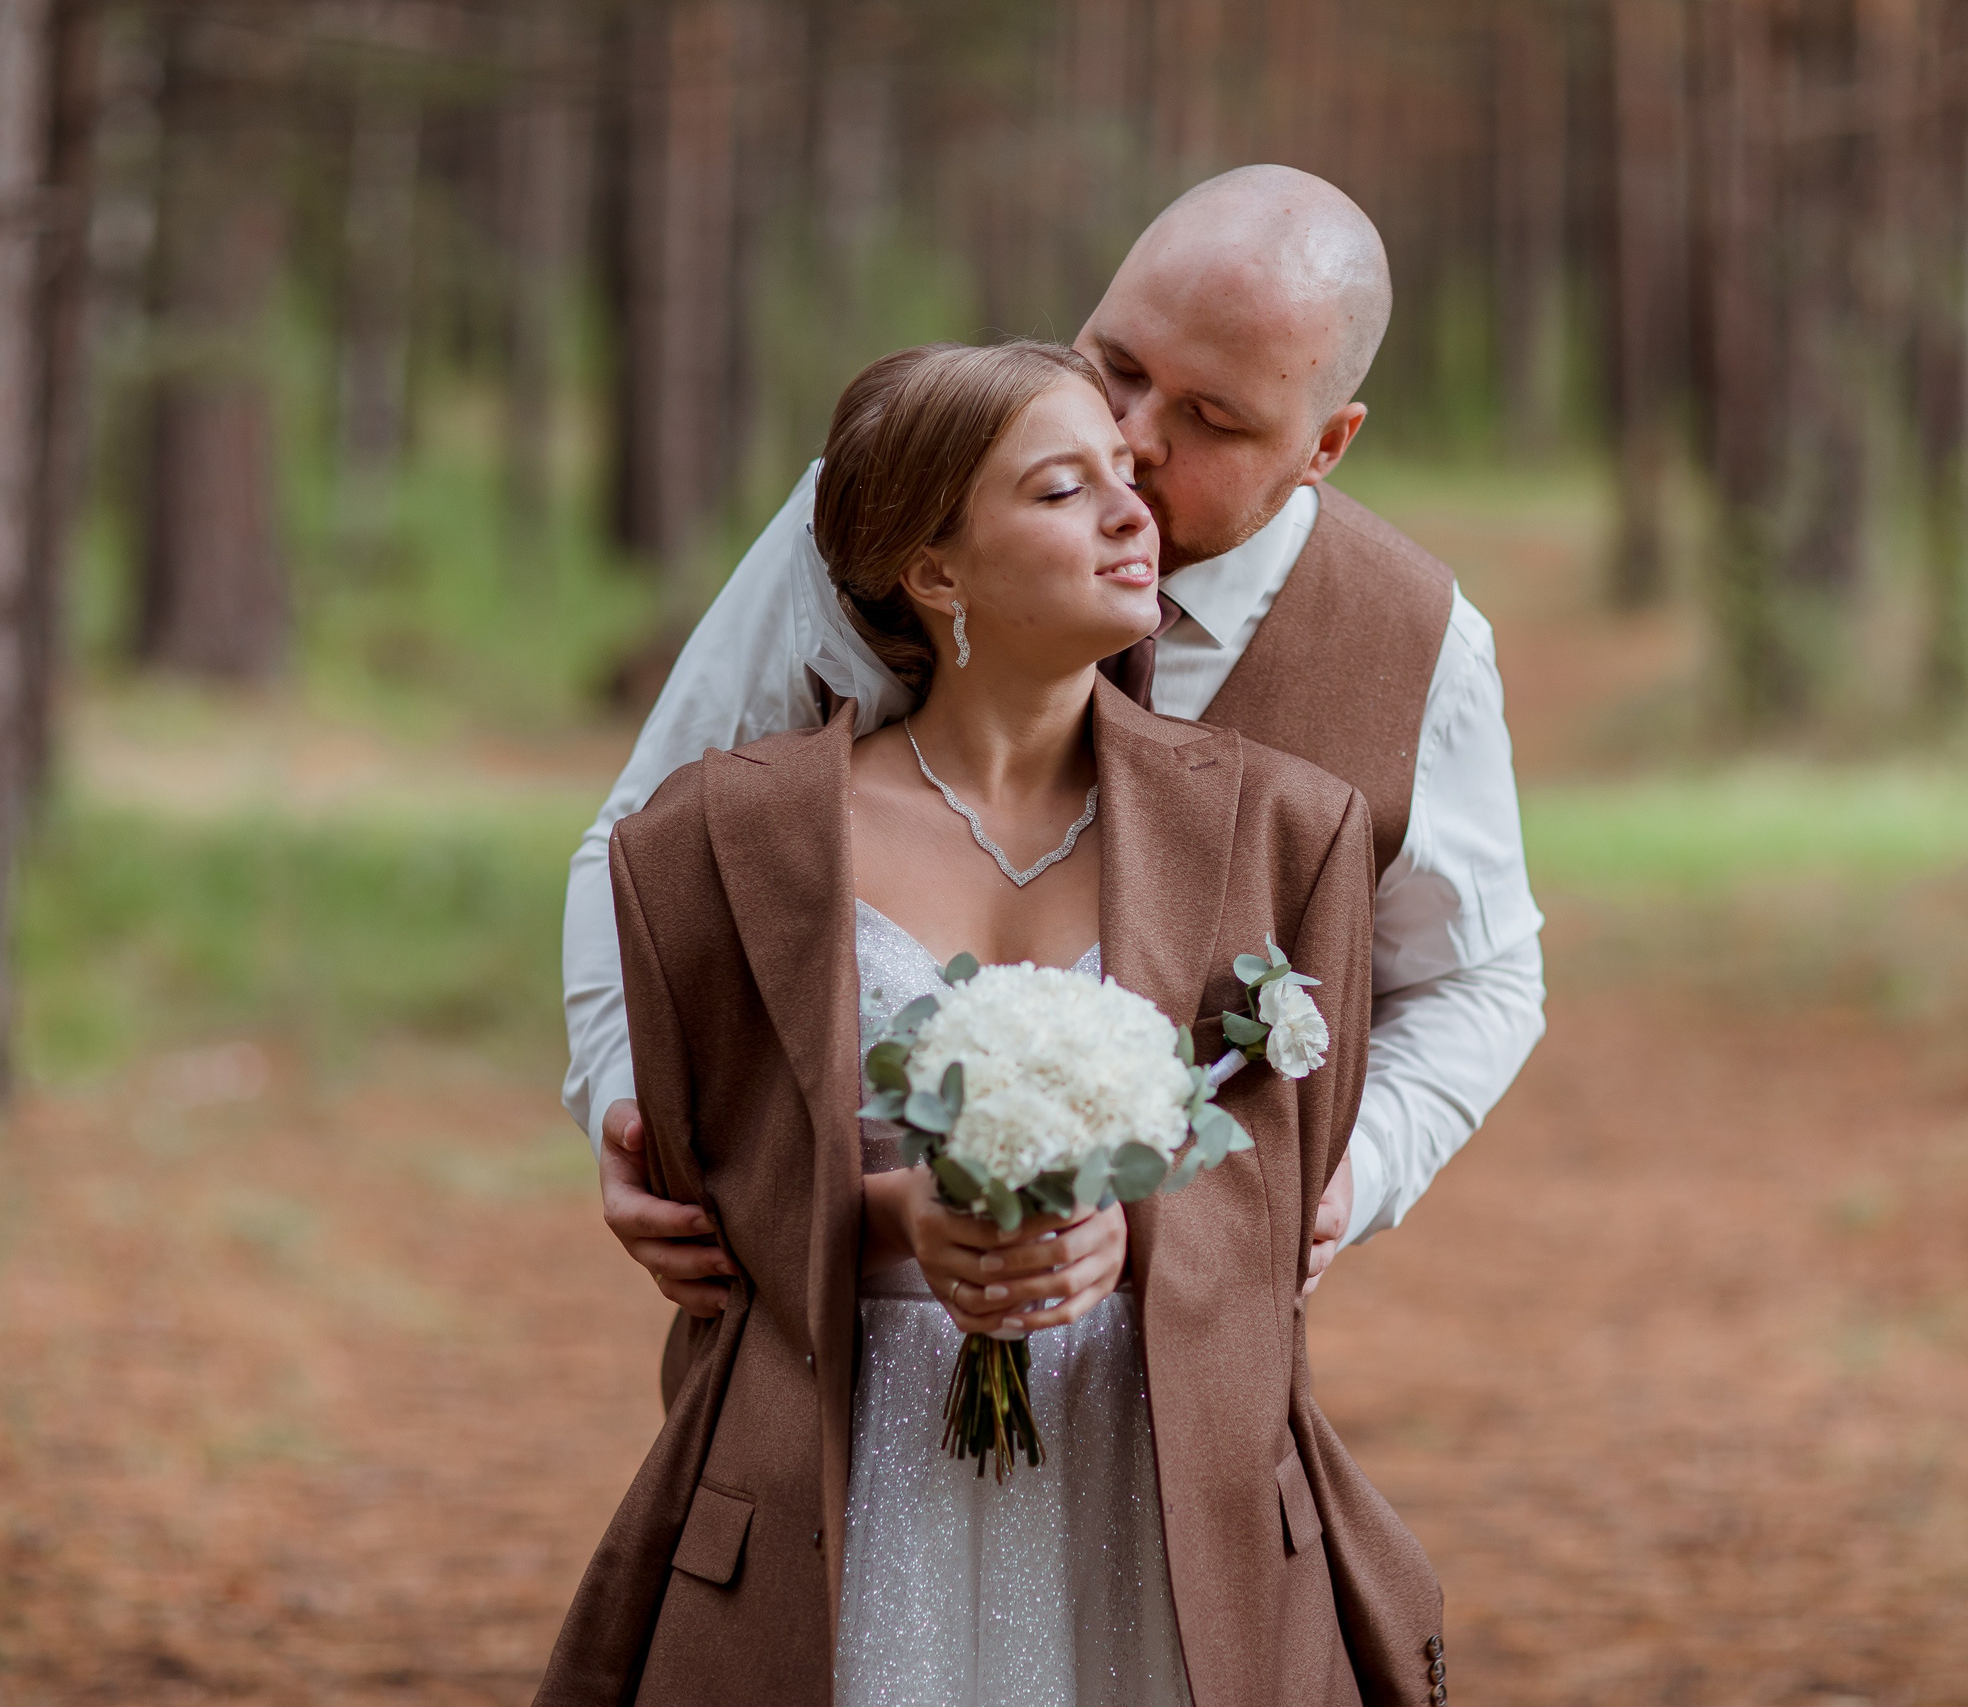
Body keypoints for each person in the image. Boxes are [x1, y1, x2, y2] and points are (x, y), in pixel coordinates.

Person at [535, 341, 1440, 1706]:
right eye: (1065, 491)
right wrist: (900, 1217)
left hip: (1154, 1472)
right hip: (850, 1470)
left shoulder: (1286, 830)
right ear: (935, 570)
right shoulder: (732, 838)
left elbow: (1282, 1195)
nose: (1137, 514)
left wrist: (1125, 1226)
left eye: (1127, 480)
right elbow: (722, 1181)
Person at [565, 165, 1544, 1355]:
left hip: (1174, 1382)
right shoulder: (882, 525)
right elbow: (638, 850)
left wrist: (1345, 1181)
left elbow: (1475, 978)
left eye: (1213, 420)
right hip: (816, 1347)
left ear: (1324, 446)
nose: (1131, 439)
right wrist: (637, 1116)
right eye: (1116, 363)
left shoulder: (1417, 643)